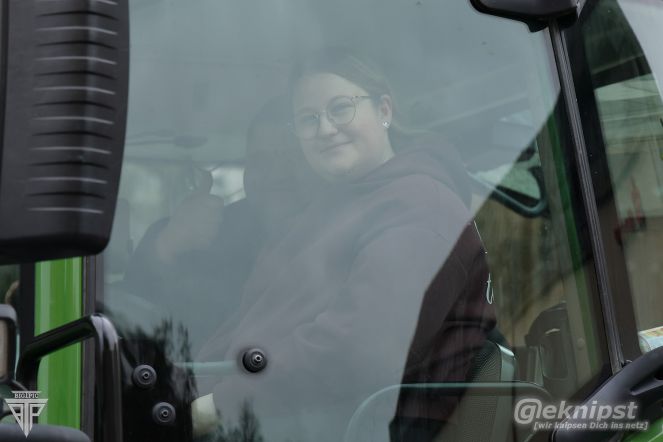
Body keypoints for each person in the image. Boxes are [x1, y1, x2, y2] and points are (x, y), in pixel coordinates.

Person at [193, 48, 496, 441]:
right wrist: (186, 388)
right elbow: (251, 322)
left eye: (340, 108)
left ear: (384, 110)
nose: (325, 128)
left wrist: (217, 406)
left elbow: (356, 349)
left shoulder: (421, 207)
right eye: (309, 119)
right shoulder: (331, 211)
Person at [116, 96, 313, 353]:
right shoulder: (199, 231)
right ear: (246, 167)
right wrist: (168, 245)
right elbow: (128, 323)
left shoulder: (347, 227)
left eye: (293, 157)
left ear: (317, 162)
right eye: (261, 160)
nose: (277, 173)